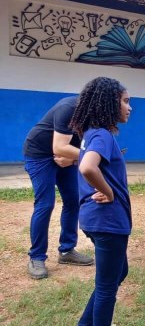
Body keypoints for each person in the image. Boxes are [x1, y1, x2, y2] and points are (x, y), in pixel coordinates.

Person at [64, 77, 133, 326]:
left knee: (119, 271)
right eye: (125, 101)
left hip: (95, 221)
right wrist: (107, 191)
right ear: (109, 103)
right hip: (107, 222)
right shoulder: (102, 135)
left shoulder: (92, 133)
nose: (130, 107)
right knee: (107, 286)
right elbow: (87, 167)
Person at [23, 94, 94, 280]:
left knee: (73, 200)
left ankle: (67, 251)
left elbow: (86, 146)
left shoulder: (98, 116)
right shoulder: (69, 107)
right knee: (45, 204)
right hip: (39, 154)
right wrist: (80, 156)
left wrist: (72, 160)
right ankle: (36, 257)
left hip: (66, 156)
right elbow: (59, 147)